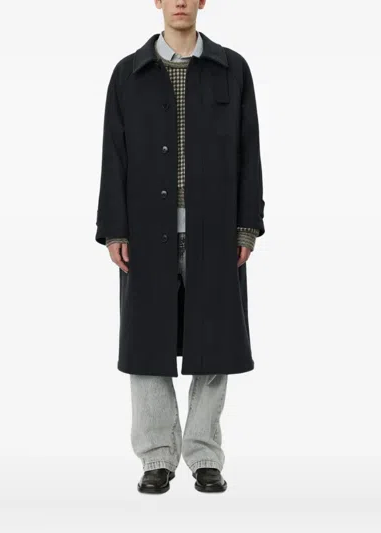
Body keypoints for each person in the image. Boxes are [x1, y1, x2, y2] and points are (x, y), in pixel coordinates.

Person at [95, 0, 265, 494]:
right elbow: (113, 154)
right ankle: (156, 457)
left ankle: (204, 454)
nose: (181, 2)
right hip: (147, 234)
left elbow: (249, 151)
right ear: (158, 2)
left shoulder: (232, 69)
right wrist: (115, 229)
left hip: (216, 232)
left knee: (216, 344)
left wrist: (246, 227)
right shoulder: (129, 74)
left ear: (202, 1)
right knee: (147, 345)